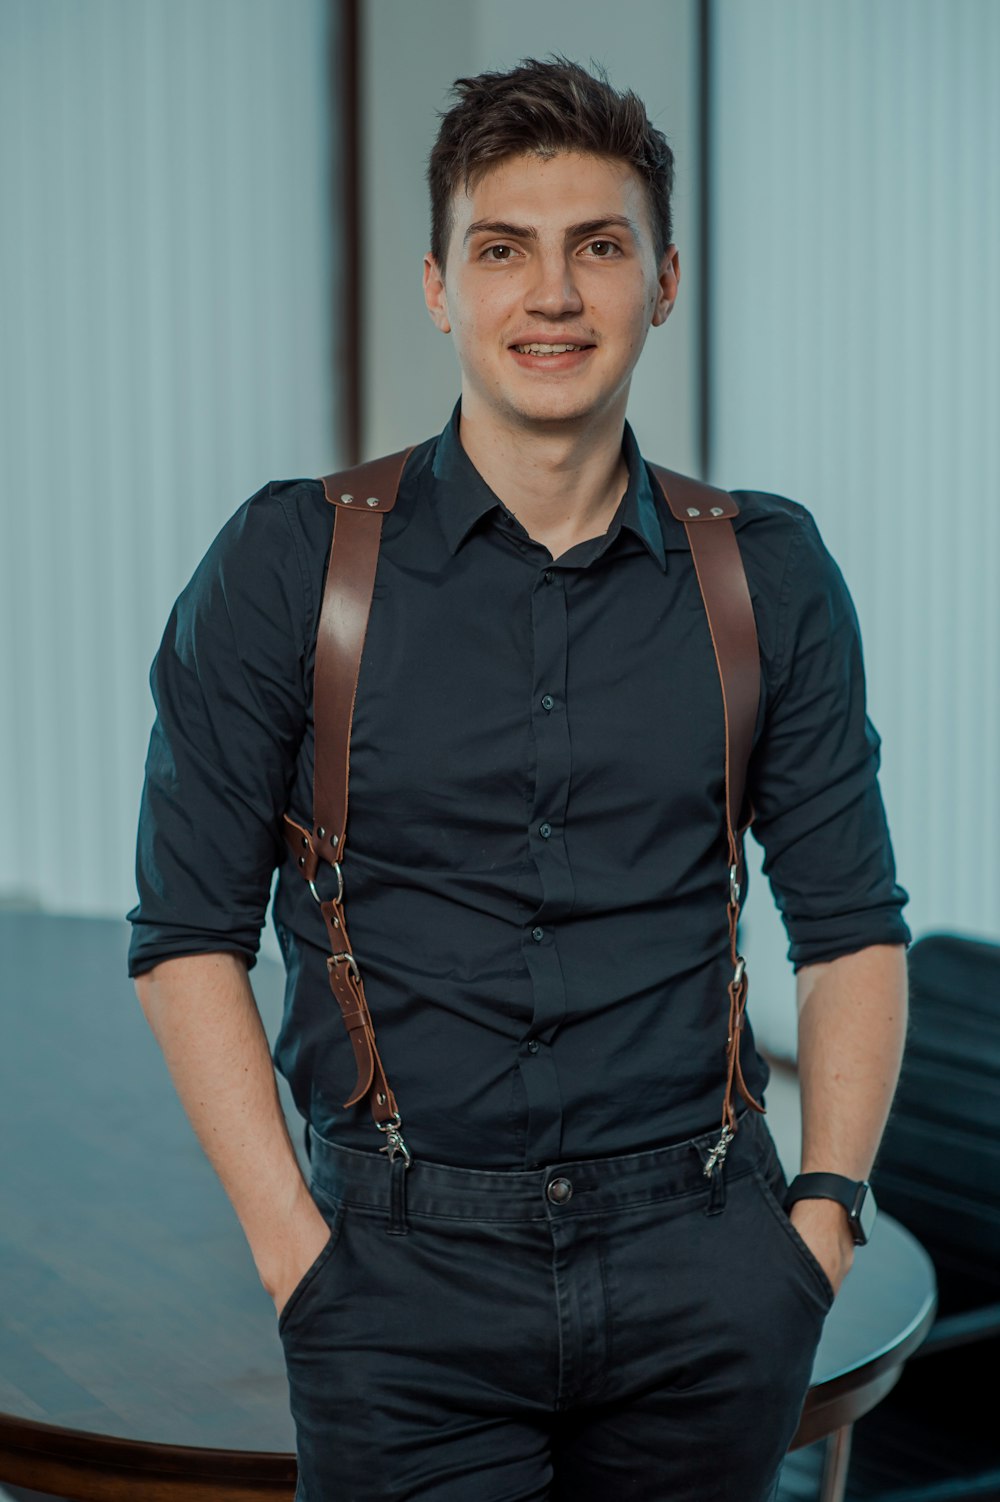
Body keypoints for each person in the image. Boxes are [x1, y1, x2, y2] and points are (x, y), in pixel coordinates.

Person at [128, 57, 910, 1502]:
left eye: (597, 246)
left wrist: (820, 1224)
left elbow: (852, 925)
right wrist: (294, 1253)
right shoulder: (291, 566)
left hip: (705, 1271)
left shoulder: (770, 576)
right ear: (439, 284)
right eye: (504, 249)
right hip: (394, 1288)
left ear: (662, 280)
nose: (551, 294)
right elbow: (185, 937)